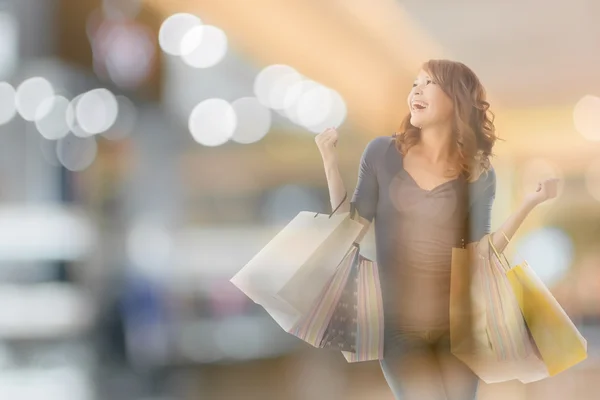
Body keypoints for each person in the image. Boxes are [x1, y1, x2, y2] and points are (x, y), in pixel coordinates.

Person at [315, 59, 558, 400]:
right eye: (415, 83)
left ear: (456, 99)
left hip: (457, 332)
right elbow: (347, 229)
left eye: (428, 83)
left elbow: (482, 253)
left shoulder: (479, 173)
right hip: (398, 331)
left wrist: (529, 203)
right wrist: (329, 159)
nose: (416, 89)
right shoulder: (382, 153)